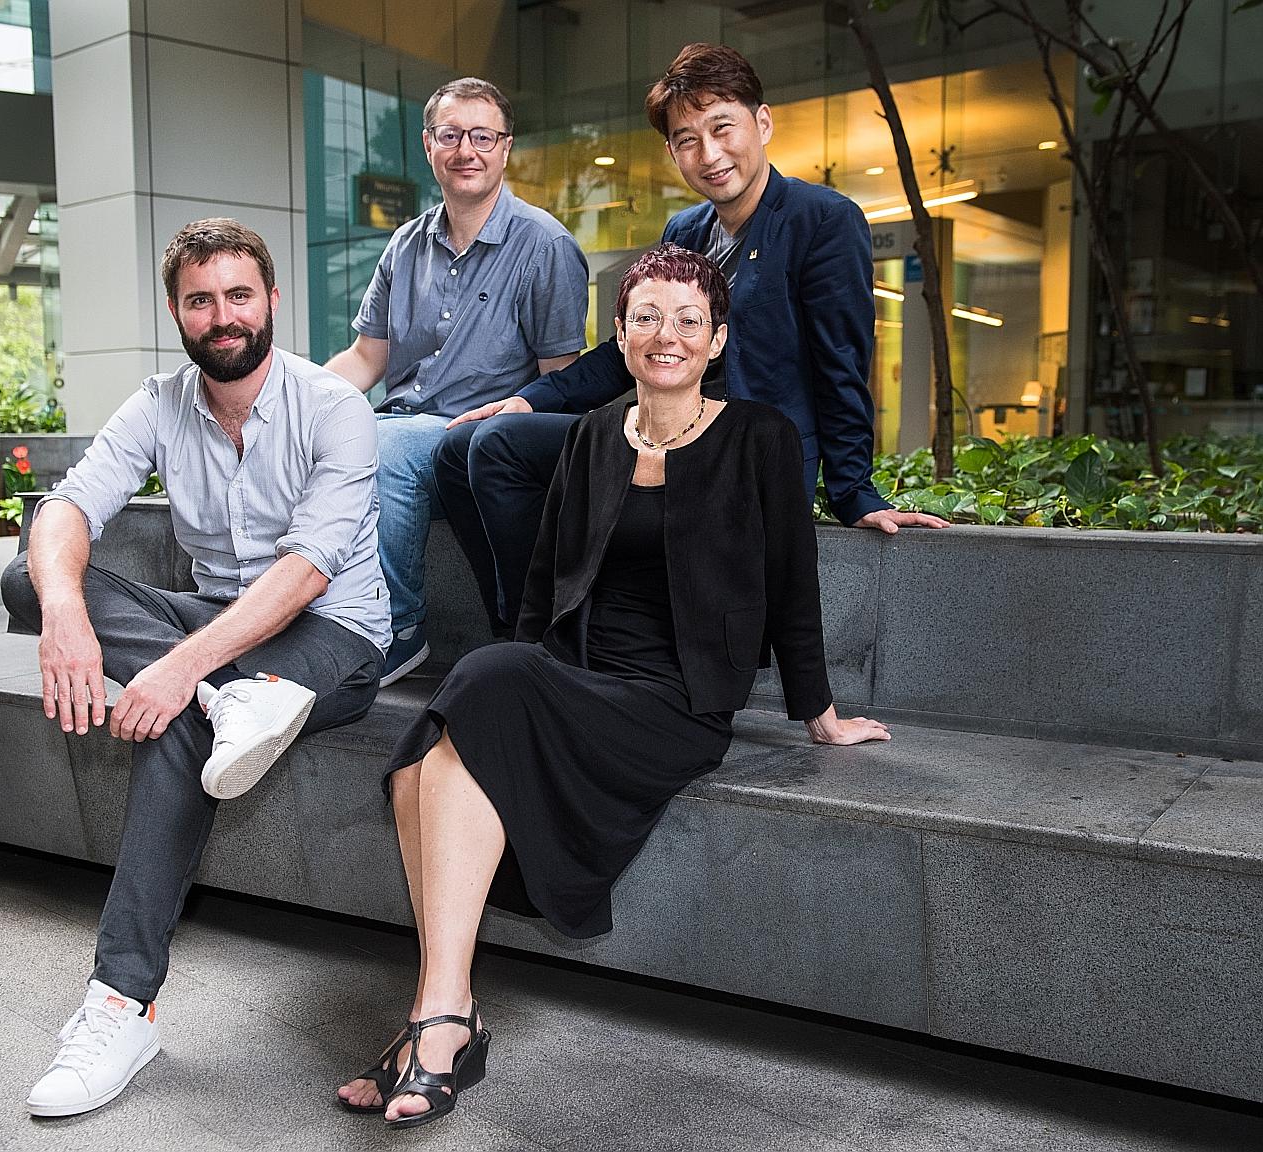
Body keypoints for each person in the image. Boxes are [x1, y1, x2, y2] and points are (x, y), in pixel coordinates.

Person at [335, 245, 891, 1130]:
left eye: (687, 320)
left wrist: (818, 715)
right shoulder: (595, 433)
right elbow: (544, 578)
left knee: (458, 717)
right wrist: (512, 689)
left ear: (715, 342)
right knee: (424, 762)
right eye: (645, 317)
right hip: (577, 674)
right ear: (622, 335)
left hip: (675, 700)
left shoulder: (761, 438)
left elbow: (794, 583)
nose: (664, 335)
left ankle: (443, 1023)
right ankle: (441, 1015)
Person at [0, 219, 389, 1118]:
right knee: (31, 578)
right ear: (176, 311)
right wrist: (65, 616)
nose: (222, 316)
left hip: (333, 638)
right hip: (216, 625)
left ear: (273, 303)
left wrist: (175, 674)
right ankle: (238, 698)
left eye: (239, 295)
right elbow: (68, 507)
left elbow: (308, 571)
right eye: (200, 299)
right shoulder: (158, 403)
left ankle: (118, 1003)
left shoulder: (334, 407)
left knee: (176, 715)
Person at [434, 43, 947, 638]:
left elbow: (842, 363)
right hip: (659, 430)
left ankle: (542, 635)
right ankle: (520, 628)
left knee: (497, 447)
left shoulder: (821, 219)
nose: (709, 154)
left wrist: (853, 490)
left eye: (721, 127)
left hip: (739, 451)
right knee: (460, 449)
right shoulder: (687, 229)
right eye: (685, 139)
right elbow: (630, 349)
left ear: (762, 122)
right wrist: (529, 400)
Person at [324, 76, 589, 682]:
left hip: (469, 442)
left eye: (482, 136)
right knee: (318, 440)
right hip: (399, 422)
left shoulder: (546, 246)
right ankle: (312, 619)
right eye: (451, 135)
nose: (466, 150)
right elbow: (367, 358)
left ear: (505, 147)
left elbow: (561, 382)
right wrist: (291, 404)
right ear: (428, 145)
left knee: (383, 448)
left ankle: (400, 630)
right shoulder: (406, 243)